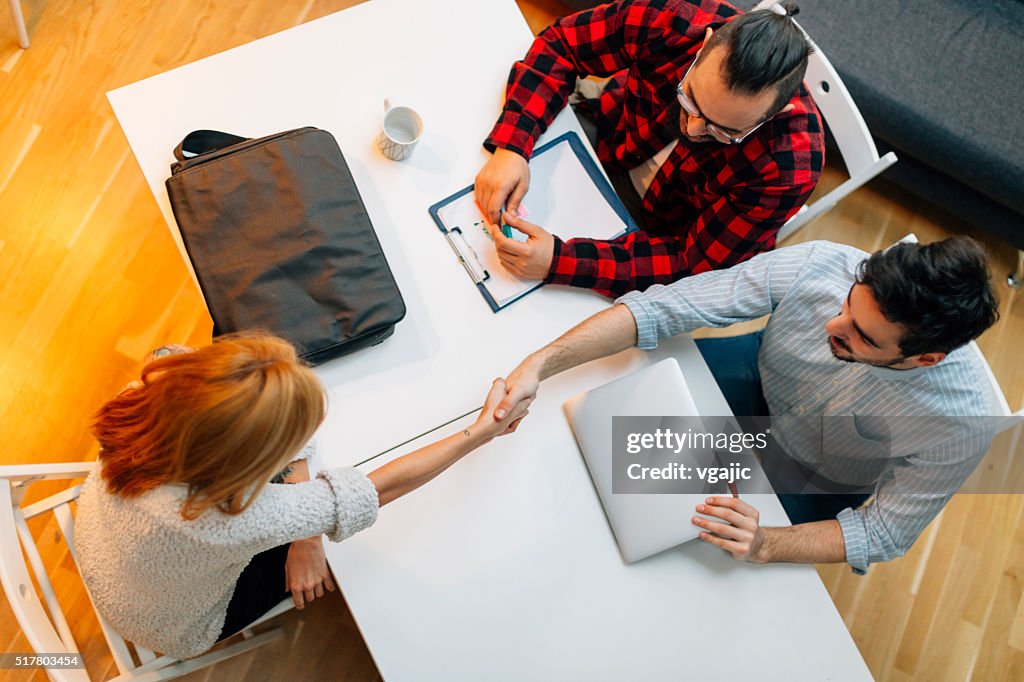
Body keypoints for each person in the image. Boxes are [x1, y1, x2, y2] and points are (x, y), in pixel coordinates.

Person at [493, 237, 999, 574]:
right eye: (846, 304)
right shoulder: (822, 263)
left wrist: (767, 544)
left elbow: (884, 530)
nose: (832, 326)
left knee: (677, 566)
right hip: (749, 374)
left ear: (926, 358)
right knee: (573, 461)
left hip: (812, 474)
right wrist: (541, 364)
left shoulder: (963, 423)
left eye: (861, 336)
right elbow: (668, 306)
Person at [75, 333, 529, 659]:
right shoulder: (227, 520)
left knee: (312, 534)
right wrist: (479, 433)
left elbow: (270, 421)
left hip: (97, 532)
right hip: (167, 621)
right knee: (344, 556)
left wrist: (304, 532)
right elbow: (377, 489)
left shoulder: (158, 384)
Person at [475, 0, 824, 298]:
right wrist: (512, 146)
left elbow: (691, 262)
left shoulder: (790, 165)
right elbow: (562, 46)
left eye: (725, 130)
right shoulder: (673, 18)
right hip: (606, 132)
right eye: (691, 100)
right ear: (703, 46)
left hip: (656, 233)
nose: (694, 128)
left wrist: (560, 262)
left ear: (778, 113)